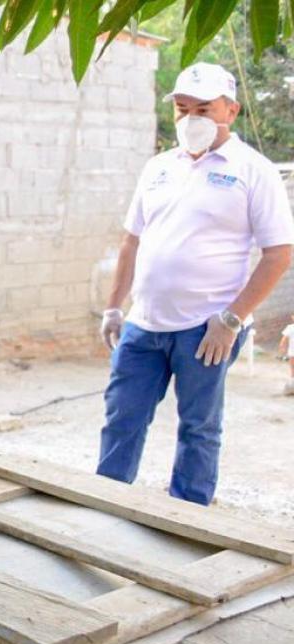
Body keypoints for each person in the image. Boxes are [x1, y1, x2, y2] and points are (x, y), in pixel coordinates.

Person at [98, 63, 293, 505]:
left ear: (232, 110)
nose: (191, 120)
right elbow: (132, 241)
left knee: (199, 427)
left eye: (203, 109)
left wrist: (231, 319)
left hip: (206, 330)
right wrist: (114, 307)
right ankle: (103, 505)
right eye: (182, 109)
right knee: (122, 418)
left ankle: (188, 518)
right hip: (143, 326)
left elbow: (280, 254)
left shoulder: (253, 170)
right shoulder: (158, 167)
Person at [278, 314, 294, 395]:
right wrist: (282, 346)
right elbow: (284, 338)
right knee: (292, 368)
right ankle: (292, 383)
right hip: (292, 352)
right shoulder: (290, 327)